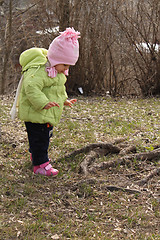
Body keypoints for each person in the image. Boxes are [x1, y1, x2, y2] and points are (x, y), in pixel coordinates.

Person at [15, 27, 80, 176]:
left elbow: (58, 89)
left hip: (45, 114)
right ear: (56, 59)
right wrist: (43, 103)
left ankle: (36, 154)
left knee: (44, 137)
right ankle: (40, 165)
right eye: (65, 65)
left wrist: (64, 100)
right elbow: (31, 87)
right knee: (40, 139)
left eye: (68, 66)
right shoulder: (39, 70)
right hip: (36, 112)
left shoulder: (56, 71)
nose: (66, 69)